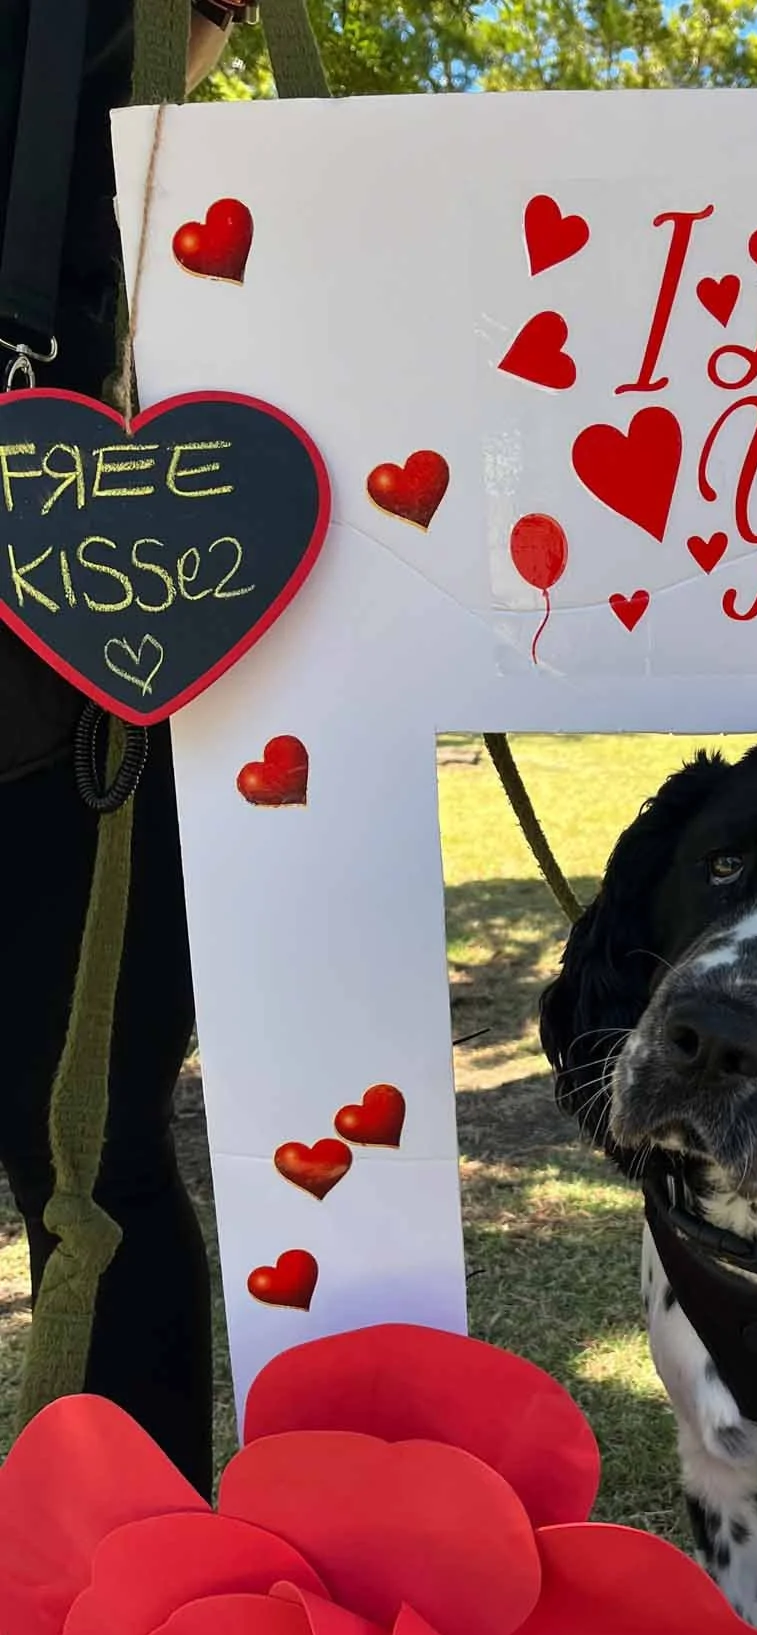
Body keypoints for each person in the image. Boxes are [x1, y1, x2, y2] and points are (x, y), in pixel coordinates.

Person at [0, 0, 231, 1493]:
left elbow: (190, 30)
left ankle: (145, 1622)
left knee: (87, 1156)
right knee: (87, 1158)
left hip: (56, 599)